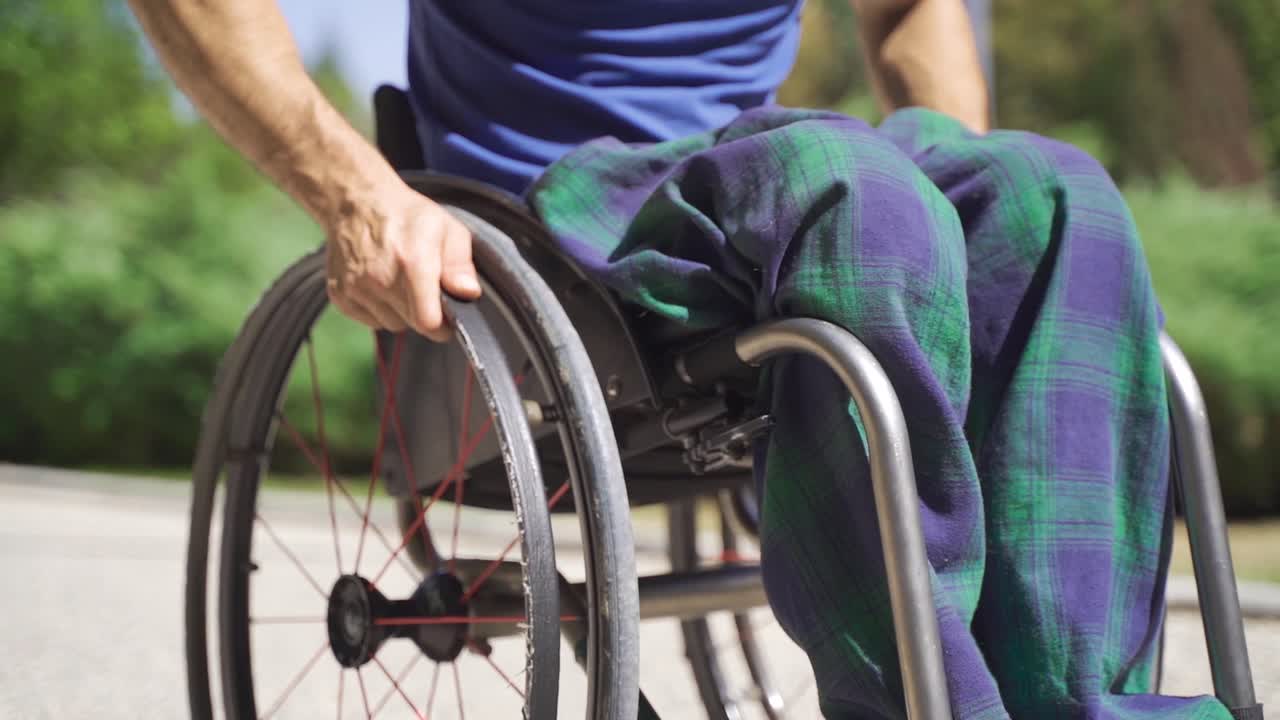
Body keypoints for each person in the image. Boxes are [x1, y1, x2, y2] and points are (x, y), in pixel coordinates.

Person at [127, 1, 1231, 718]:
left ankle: (1078, 703)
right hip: (548, 208)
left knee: (1050, 199)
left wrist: (967, 228)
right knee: (852, 192)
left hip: (760, 178)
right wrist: (354, 194)